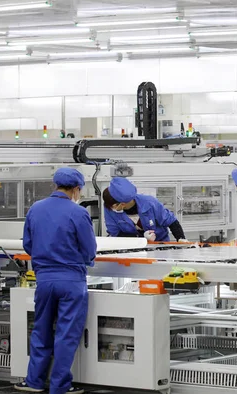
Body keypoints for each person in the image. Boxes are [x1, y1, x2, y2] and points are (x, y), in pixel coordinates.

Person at [15, 168, 96, 394]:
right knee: (66, 334)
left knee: (41, 330)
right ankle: (59, 386)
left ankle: (34, 382)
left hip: (44, 280)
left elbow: (28, 244)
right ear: (76, 189)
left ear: (55, 185)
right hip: (71, 281)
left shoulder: (36, 209)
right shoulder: (78, 213)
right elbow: (90, 249)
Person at [102, 177, 186, 242]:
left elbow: (171, 221)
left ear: (122, 203)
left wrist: (181, 238)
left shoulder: (149, 203)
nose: (111, 208)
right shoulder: (109, 209)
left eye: (113, 206)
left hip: (159, 245)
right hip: (131, 248)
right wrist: (140, 238)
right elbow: (115, 234)